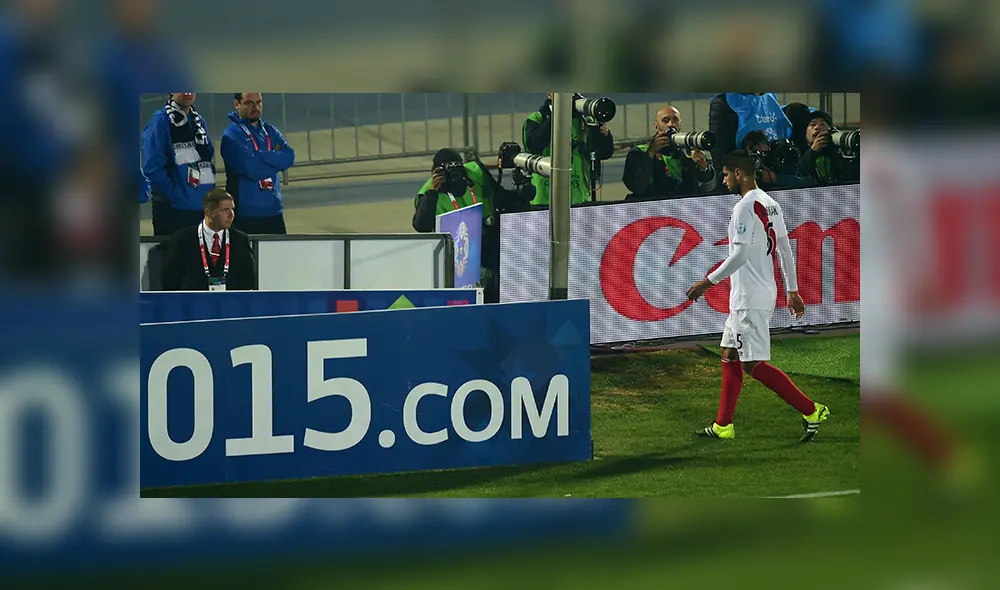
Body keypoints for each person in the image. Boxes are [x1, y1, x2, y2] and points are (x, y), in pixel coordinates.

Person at [686, 151, 829, 441]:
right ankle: (723, 425)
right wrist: (792, 290)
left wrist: (706, 282)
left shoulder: (745, 206)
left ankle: (811, 409)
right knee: (728, 352)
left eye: (726, 174)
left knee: (752, 363)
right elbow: (786, 249)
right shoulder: (770, 203)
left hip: (749, 296)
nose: (724, 179)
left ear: (739, 173)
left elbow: (739, 255)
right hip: (759, 290)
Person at [412, 148, 533, 303]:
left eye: (458, 169)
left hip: (488, 238)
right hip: (458, 253)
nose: (455, 175)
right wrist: (432, 193)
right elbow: (421, 226)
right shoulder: (429, 191)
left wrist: (521, 194)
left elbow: (500, 197)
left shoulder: (475, 173)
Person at [141, 93, 217, 236]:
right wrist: (177, 196)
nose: (188, 93)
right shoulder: (159, 122)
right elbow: (152, 168)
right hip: (173, 212)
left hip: (202, 210)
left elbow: (207, 161)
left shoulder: (199, 122)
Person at [220, 93, 296, 234]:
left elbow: (289, 157)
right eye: (249, 103)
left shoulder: (270, 131)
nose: (255, 107)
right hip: (246, 214)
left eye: (258, 102)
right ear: (237, 104)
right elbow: (252, 169)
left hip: (274, 212)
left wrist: (259, 155)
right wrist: (275, 161)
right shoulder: (231, 136)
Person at [522, 93, 614, 205]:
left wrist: (605, 136)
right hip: (545, 199)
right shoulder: (537, 118)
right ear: (550, 94)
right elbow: (532, 145)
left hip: (577, 198)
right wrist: (556, 115)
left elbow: (603, 153)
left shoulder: (585, 121)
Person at [160, 188, 256, 291]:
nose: (231, 214)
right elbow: (169, 280)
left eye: (232, 209)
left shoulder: (240, 240)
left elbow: (249, 281)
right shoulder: (182, 240)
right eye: (225, 210)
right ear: (209, 213)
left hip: (230, 304)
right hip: (194, 304)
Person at [622, 105, 716, 200]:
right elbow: (635, 186)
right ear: (656, 126)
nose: (671, 124)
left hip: (686, 208)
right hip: (653, 208)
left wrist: (704, 169)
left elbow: (709, 189)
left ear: (680, 123)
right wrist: (650, 152)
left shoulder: (690, 150)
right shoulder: (640, 151)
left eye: (675, 119)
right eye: (665, 120)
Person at [797, 110, 860, 186]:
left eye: (822, 124)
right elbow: (799, 175)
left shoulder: (839, 150)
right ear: (805, 133)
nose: (817, 127)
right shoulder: (798, 151)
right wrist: (812, 152)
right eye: (812, 125)